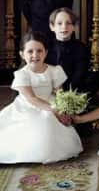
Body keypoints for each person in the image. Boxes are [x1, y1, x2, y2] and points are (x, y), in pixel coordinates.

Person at [0, 32, 82, 164]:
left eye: (39, 51)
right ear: (22, 54)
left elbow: (59, 93)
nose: (35, 55)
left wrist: (64, 109)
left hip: (51, 103)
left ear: (46, 52)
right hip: (28, 107)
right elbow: (32, 98)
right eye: (30, 51)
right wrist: (54, 110)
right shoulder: (22, 74)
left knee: (50, 120)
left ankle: (51, 148)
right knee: (41, 120)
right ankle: (31, 150)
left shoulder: (54, 70)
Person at [46, 7, 92, 92]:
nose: (64, 27)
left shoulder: (81, 48)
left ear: (74, 27)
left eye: (68, 23)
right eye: (59, 23)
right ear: (52, 27)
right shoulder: (46, 48)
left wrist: (67, 91)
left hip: (73, 90)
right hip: (50, 89)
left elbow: (79, 74)